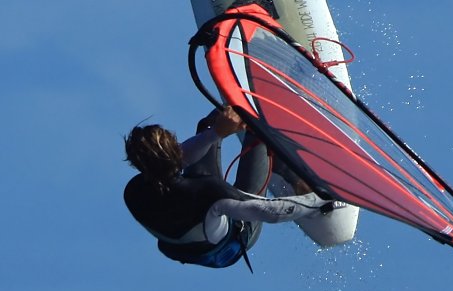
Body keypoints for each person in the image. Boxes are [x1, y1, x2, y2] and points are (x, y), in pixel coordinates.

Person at [123, 105, 335, 271]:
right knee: (260, 131)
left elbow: (176, 161)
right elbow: (270, 211)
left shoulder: (134, 191)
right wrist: (321, 200)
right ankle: (296, 180)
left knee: (209, 123)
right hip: (237, 236)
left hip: (197, 227)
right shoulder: (207, 192)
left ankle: (241, 110)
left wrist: (216, 131)